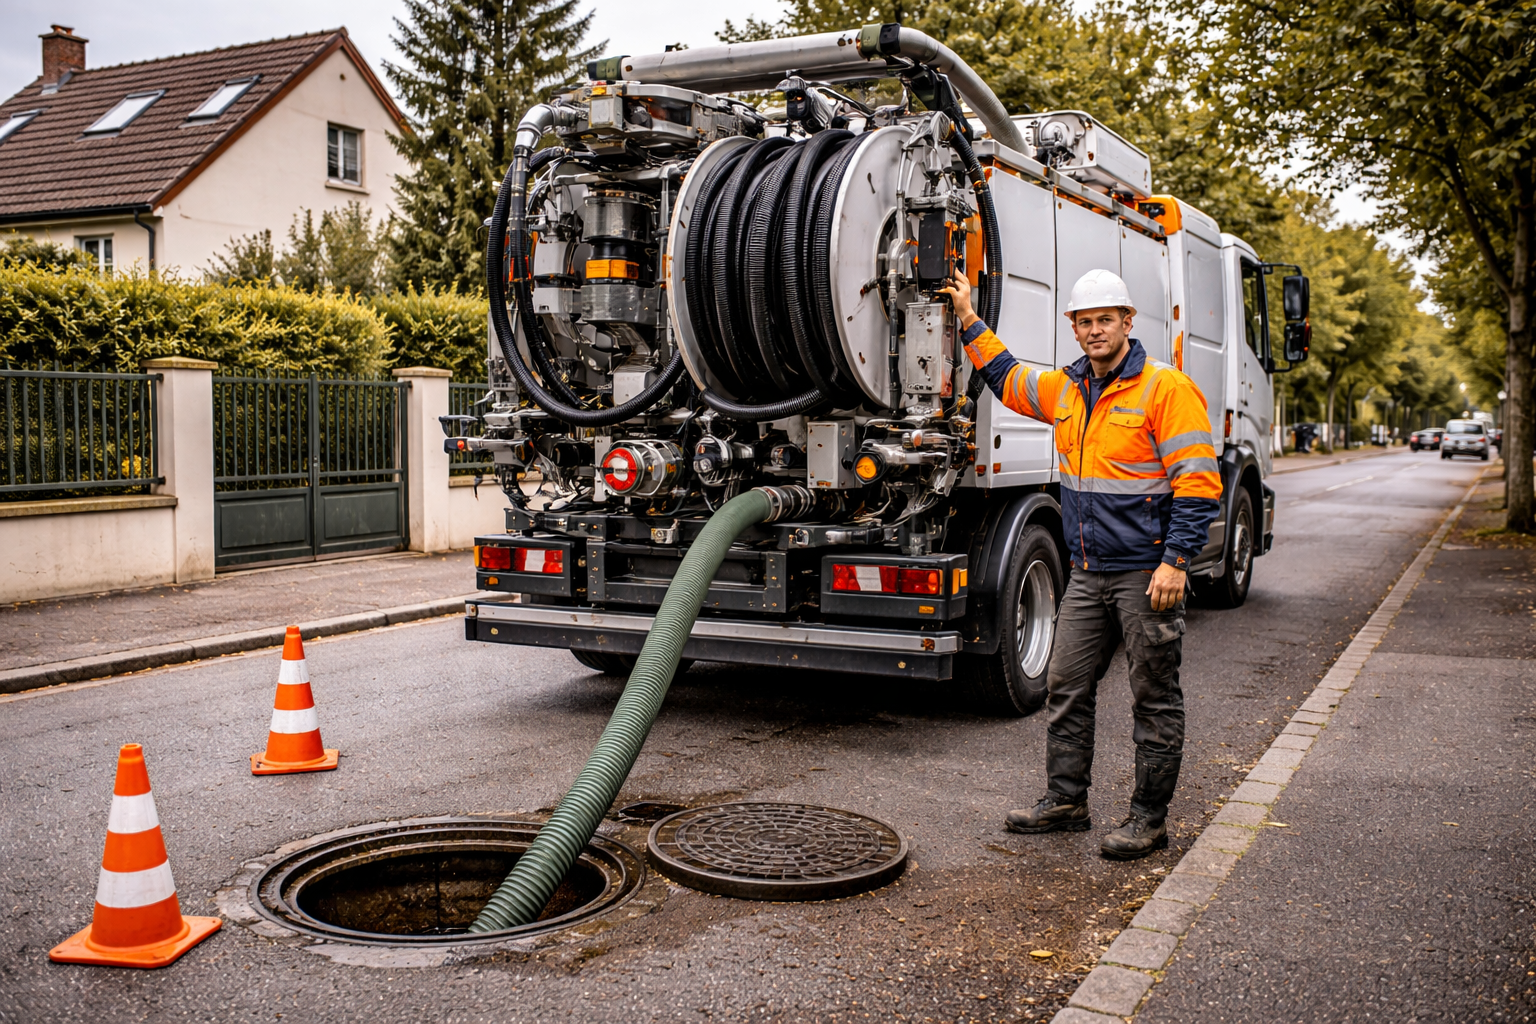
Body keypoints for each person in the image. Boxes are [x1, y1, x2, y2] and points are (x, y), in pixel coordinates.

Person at [939, 268, 1222, 859]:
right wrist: (968, 316)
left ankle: (1148, 818)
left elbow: (1198, 483)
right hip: (1088, 572)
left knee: (1154, 693)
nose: (1095, 331)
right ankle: (1066, 800)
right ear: (1073, 327)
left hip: (1147, 574)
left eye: (1104, 320)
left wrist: (1175, 562)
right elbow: (1007, 376)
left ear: (1126, 322)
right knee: (1067, 685)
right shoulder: (1066, 390)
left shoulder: (1165, 389)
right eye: (1084, 322)